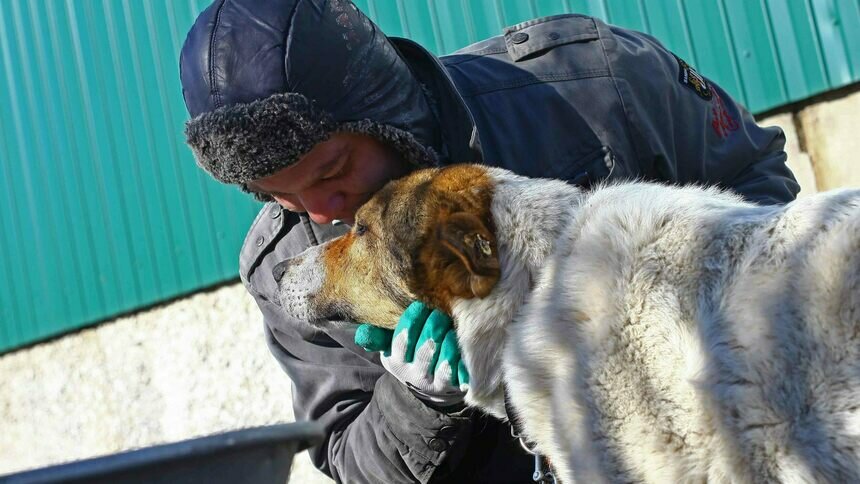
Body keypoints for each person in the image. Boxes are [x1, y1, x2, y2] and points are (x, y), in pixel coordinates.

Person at [179, 0, 800, 482]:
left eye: (333, 171)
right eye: (279, 195)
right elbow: (350, 461)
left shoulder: (586, 85)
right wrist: (419, 401)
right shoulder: (288, 269)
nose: (322, 212)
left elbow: (757, 187)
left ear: (379, 108)